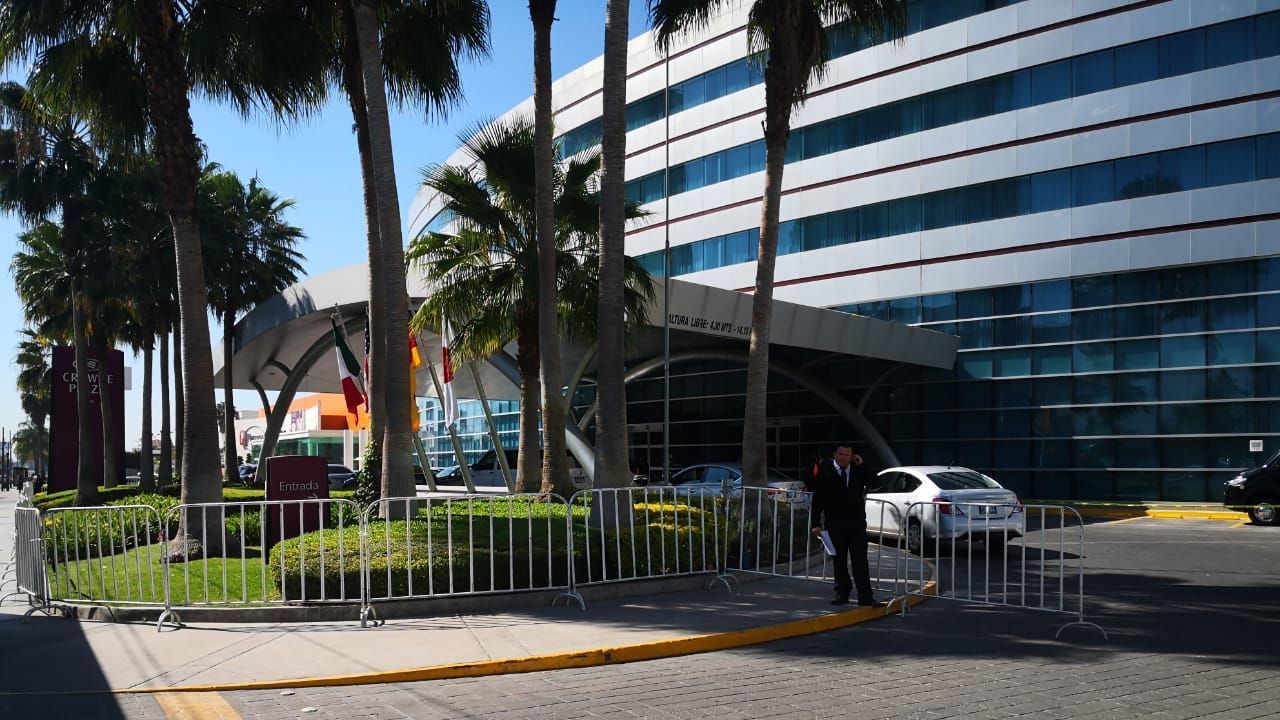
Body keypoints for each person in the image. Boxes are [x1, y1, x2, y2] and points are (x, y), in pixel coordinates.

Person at [810, 444, 882, 607]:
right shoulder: (825, 471)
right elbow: (818, 499)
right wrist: (815, 524)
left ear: (852, 456)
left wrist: (862, 465)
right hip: (834, 523)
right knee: (839, 561)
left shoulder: (857, 470)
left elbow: (876, 482)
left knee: (860, 561)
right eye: (841, 454)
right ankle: (842, 593)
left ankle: (865, 596)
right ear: (835, 455)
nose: (843, 457)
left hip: (856, 523)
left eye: (847, 455)